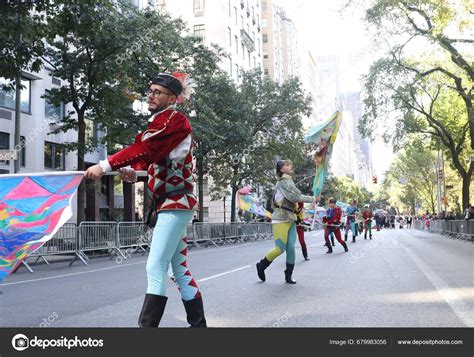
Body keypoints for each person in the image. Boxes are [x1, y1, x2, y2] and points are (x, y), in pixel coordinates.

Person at [84, 72, 206, 328]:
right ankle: (199, 328)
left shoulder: (175, 120)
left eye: (157, 92)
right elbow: (146, 158)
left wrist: (104, 165)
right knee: (179, 271)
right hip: (172, 205)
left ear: (173, 97)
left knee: (155, 267)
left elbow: (144, 150)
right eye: (150, 90)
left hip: (176, 204)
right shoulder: (160, 123)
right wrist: (133, 173)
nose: (150, 95)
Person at [256, 160, 316, 284]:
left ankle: (288, 275)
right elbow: (294, 197)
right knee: (280, 248)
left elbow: (295, 197)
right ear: (281, 169)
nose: (290, 166)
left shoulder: (289, 181)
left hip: (291, 218)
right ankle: (262, 265)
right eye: (287, 165)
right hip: (280, 218)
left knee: (291, 248)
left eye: (290, 164)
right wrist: (313, 199)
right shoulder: (282, 182)